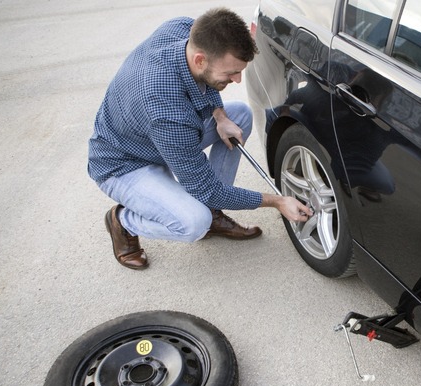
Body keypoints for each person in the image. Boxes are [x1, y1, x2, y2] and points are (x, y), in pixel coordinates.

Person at [88, 8, 311, 270]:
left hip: (154, 136)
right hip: (124, 163)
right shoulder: (166, 110)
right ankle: (123, 221)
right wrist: (277, 201)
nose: (237, 79)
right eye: (230, 73)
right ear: (200, 60)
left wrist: (219, 116)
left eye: (239, 71)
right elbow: (206, 189)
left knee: (238, 115)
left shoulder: (184, 29)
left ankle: (214, 214)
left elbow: (207, 81)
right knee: (194, 222)